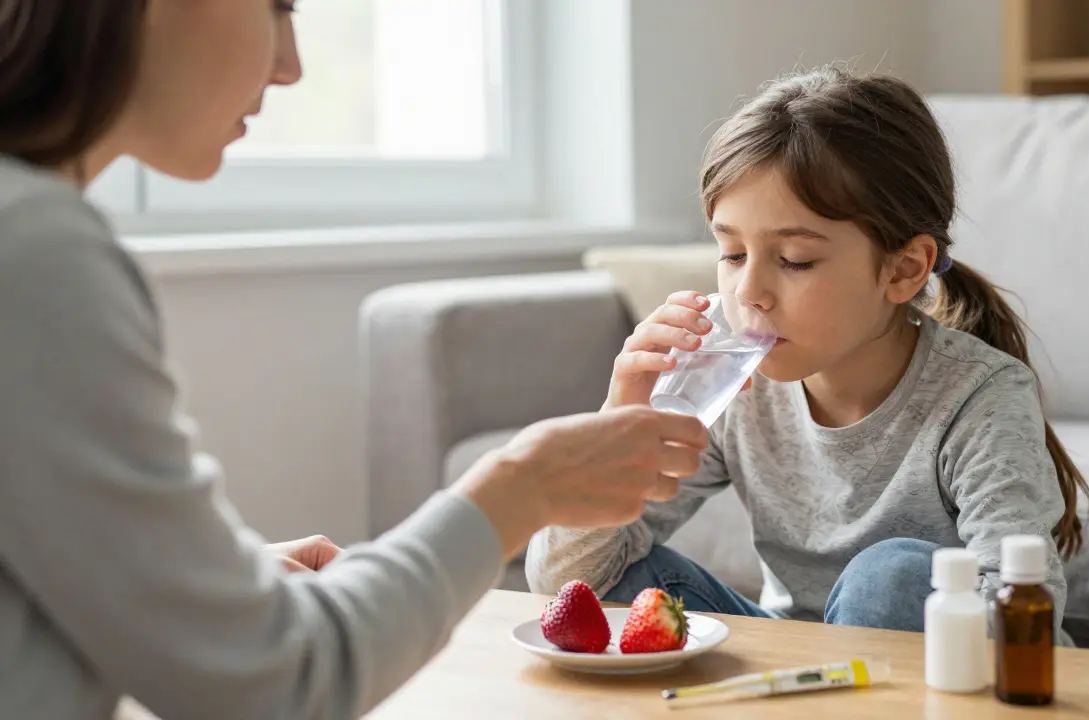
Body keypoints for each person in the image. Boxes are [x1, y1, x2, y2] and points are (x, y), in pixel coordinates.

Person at [0, 2, 709, 718]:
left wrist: (203, 586)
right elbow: (275, 684)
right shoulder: (34, 252)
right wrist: (518, 489)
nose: (291, 65)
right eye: (276, 8)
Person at [526, 66, 1089, 644]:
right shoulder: (734, 386)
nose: (749, 292)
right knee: (620, 584)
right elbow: (565, 583)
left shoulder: (980, 395)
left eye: (794, 259)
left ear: (903, 270)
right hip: (798, 657)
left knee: (888, 577)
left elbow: (1029, 611)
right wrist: (614, 435)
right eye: (731, 253)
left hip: (947, 667)